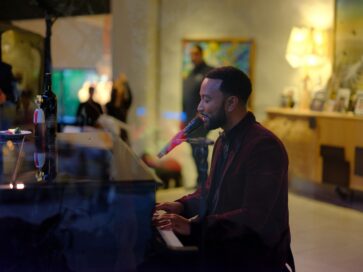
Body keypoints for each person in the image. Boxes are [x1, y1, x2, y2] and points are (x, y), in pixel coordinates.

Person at [153, 66, 294, 271]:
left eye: (207, 99)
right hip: (226, 246)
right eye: (200, 99)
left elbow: (254, 216)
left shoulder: (264, 146)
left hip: (253, 258)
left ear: (231, 102)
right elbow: (211, 191)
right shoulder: (223, 140)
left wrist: (194, 227)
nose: (200, 107)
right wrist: (182, 206)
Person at [182, 44, 214, 187]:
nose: (193, 57)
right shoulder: (190, 74)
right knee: (193, 150)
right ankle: (200, 180)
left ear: (201, 54)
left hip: (201, 119)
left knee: (200, 149)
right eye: (191, 54)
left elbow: (212, 95)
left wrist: (203, 112)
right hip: (188, 119)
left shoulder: (209, 72)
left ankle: (204, 182)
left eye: (195, 54)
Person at [105, 73, 133, 144]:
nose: (119, 94)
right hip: (112, 134)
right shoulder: (110, 106)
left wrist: (126, 83)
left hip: (123, 134)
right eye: (118, 92)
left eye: (121, 93)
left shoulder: (124, 105)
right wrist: (115, 87)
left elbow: (130, 98)